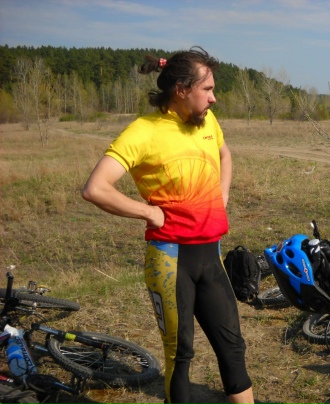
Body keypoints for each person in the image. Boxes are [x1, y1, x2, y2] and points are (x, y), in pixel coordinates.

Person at [82, 46, 254, 404]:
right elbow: (95, 188)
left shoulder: (207, 121)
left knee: (233, 348)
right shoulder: (143, 131)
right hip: (171, 260)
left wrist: (222, 194)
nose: (214, 98)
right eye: (207, 89)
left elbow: (224, 154)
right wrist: (148, 213)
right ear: (181, 89)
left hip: (211, 254)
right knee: (181, 354)